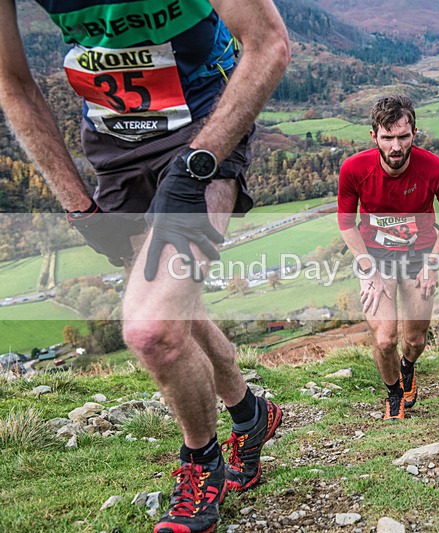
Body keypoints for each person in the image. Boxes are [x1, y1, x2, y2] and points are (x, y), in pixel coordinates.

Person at [0, 2, 290, 532]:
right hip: (115, 148)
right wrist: (77, 205)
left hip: (207, 123)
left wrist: (198, 165)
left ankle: (201, 460)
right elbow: (12, 82)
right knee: (172, 303)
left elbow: (269, 43)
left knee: (151, 327)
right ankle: (251, 415)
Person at [337, 95, 439, 421]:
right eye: (387, 137)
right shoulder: (354, 169)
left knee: (415, 340)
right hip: (375, 256)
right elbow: (346, 223)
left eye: (403, 137)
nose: (396, 147)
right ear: (374, 136)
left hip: (419, 255)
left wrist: (433, 263)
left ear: (414, 134)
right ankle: (394, 394)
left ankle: (408, 367)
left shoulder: (436, 169)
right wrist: (367, 269)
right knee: (385, 338)